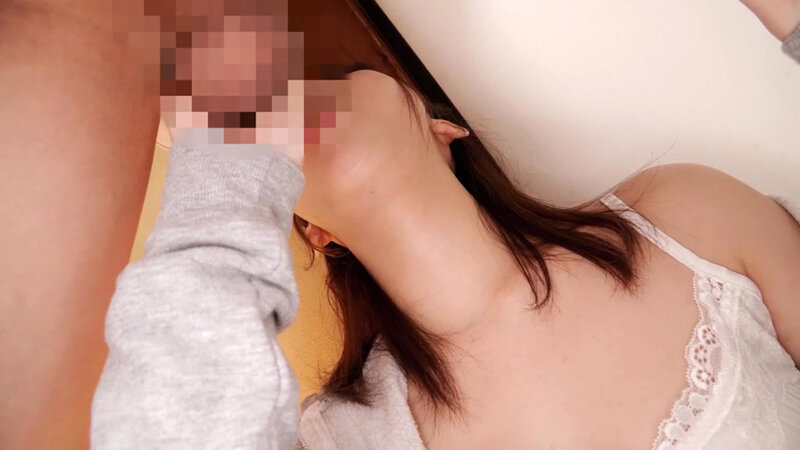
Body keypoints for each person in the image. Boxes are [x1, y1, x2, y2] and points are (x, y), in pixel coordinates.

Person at [1, 1, 797, 450]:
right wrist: (226, 142)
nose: (291, 104)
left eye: (332, 81)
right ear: (318, 233)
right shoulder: (343, 438)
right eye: (269, 118)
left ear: (443, 130)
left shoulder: (687, 217)